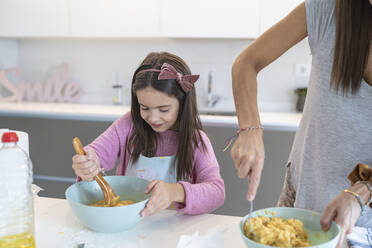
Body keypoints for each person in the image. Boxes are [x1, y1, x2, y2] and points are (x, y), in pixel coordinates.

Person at [230, 0, 372, 246]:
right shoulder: (327, 8)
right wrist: (250, 130)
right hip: (302, 198)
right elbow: (247, 63)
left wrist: (362, 191)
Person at [72, 52, 225, 217]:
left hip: (176, 234)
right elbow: (98, 151)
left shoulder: (196, 140)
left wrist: (175, 192)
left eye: (164, 109)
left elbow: (217, 192)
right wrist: (89, 161)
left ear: (183, 104)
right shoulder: (128, 125)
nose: (153, 118)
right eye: (144, 107)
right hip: (129, 228)